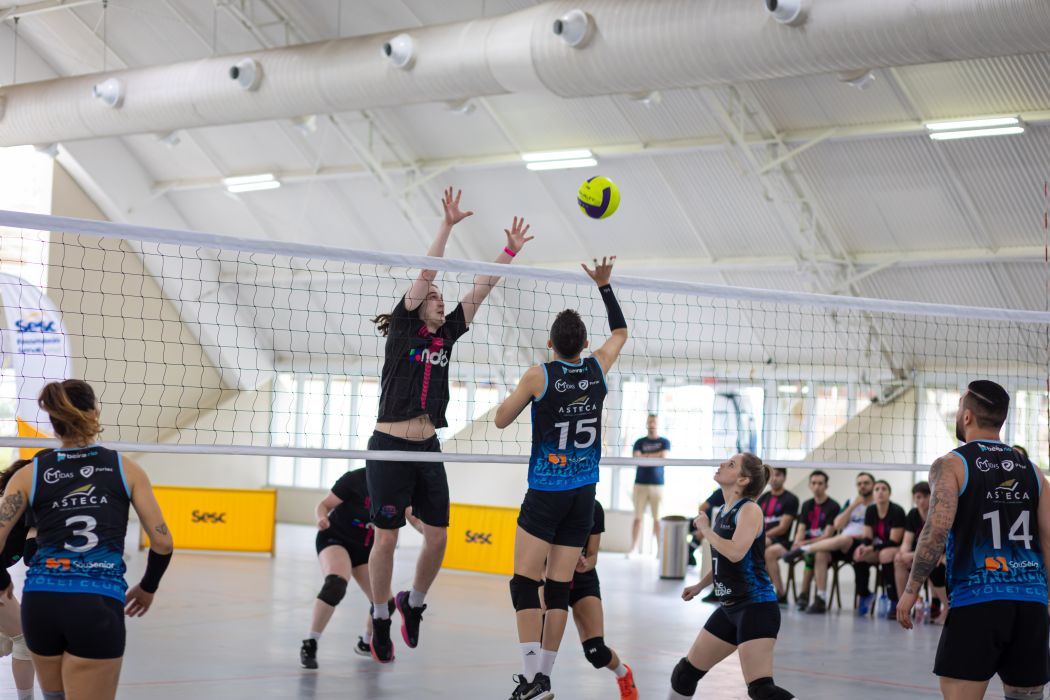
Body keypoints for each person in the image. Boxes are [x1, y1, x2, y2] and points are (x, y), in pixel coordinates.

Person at [366, 188, 534, 663]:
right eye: (434, 298)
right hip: (389, 446)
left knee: (438, 535)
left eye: (442, 299)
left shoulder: (448, 335)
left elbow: (482, 288)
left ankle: (413, 603)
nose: (441, 302)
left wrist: (508, 252)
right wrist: (447, 226)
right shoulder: (404, 328)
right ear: (418, 305)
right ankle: (380, 616)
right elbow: (427, 272)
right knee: (387, 538)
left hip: (428, 447)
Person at [494, 256, 628, 700]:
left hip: (547, 493)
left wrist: (526, 392)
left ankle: (532, 674)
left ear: (550, 343)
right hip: (584, 495)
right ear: (585, 344)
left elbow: (500, 420)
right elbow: (620, 333)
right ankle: (544, 679)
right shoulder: (597, 367)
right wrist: (604, 285)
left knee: (524, 582)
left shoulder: (539, 376)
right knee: (557, 588)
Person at [0, 379, 174, 700]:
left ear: (53, 421)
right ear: (95, 413)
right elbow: (163, 543)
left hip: (41, 603)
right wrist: (148, 587)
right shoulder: (126, 469)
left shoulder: (28, 474)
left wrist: (1, 580)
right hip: (95, 603)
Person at [898, 380, 1050, 699]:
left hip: (978, 599)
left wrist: (910, 591)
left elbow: (936, 530)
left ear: (967, 416)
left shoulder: (952, 464)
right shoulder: (1034, 472)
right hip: (1030, 602)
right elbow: (1049, 539)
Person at [670, 454, 795, 700]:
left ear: (743, 480)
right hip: (730, 608)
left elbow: (735, 553)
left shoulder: (750, 510)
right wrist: (700, 585)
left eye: (731, 465)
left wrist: (705, 530)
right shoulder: (724, 511)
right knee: (684, 675)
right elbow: (724, 560)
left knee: (761, 690)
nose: (721, 465)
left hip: (756, 608)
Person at [300, 468, 376, 668]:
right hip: (336, 538)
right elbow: (324, 505)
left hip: (365, 549)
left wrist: (428, 530)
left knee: (384, 602)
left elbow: (413, 517)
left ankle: (366, 642)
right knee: (336, 585)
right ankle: (310, 642)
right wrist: (321, 518)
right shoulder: (355, 479)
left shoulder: (398, 486)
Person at [567, 500, 638, 700]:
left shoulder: (593, 507)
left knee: (596, 651)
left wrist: (585, 563)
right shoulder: (548, 501)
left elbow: (592, 556)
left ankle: (623, 674)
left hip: (582, 580)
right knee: (539, 644)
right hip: (551, 579)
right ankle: (536, 688)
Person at [783, 472, 876, 614]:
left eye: (866, 483)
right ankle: (820, 598)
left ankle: (804, 549)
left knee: (844, 539)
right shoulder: (851, 501)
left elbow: (873, 532)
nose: (862, 486)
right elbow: (838, 525)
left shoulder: (876, 504)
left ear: (873, 485)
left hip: (860, 544)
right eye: (859, 483)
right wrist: (853, 506)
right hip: (841, 544)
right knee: (821, 553)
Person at [0, 458, 38, 700]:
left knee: (7, 638)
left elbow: (30, 557)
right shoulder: (17, 509)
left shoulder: (19, 507)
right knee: (25, 639)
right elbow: (32, 557)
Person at [893, 481, 948, 624]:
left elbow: (939, 546)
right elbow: (906, 542)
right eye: (918, 497)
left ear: (933, 496)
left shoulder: (940, 513)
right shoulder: (913, 514)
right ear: (914, 499)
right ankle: (903, 607)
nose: (922, 501)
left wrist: (911, 555)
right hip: (922, 554)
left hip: (941, 554)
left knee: (932, 565)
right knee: (899, 562)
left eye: (925, 496)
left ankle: (946, 608)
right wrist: (902, 554)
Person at [790, 470, 840, 613]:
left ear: (826, 486)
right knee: (810, 555)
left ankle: (817, 598)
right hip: (806, 547)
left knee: (819, 553)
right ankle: (805, 596)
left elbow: (827, 535)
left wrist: (804, 544)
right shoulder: (807, 505)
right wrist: (797, 542)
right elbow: (801, 528)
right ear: (809, 485)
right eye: (814, 483)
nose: (817, 486)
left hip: (827, 548)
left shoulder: (833, 506)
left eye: (820, 483)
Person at [854, 480, 905, 618]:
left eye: (884, 489)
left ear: (889, 493)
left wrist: (872, 547)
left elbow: (894, 541)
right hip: (878, 548)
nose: (880, 492)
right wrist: (863, 546)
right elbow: (867, 536)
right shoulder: (870, 510)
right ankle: (865, 594)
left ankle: (894, 600)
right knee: (859, 555)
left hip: (897, 548)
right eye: (877, 489)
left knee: (885, 555)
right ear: (873, 494)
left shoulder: (897, 511)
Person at [757, 468, 799, 605]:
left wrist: (761, 535)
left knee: (762, 547)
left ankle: (779, 594)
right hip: (764, 539)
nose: (774, 478)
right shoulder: (763, 498)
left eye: (778, 475)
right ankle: (761, 589)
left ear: (784, 477)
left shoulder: (791, 499)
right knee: (753, 548)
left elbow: (782, 528)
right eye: (772, 475)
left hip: (782, 541)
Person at [630, 415, 670, 556]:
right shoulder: (639, 441)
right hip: (640, 484)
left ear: (658, 424)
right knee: (637, 518)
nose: (652, 424)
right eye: (650, 421)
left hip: (657, 485)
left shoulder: (664, 441)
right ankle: (633, 549)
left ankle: (659, 551)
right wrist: (655, 456)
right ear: (646, 423)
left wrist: (645, 456)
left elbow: (664, 456)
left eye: (654, 422)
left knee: (657, 519)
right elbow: (637, 458)